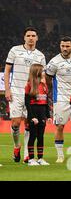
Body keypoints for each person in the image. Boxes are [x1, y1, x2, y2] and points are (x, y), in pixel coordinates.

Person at [4, 27, 46, 163]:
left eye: (33, 35)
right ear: (24, 37)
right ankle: (17, 146)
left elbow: (42, 75)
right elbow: (7, 70)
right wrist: (7, 90)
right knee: (16, 123)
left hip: (32, 92)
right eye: (28, 35)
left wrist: (42, 90)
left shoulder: (40, 55)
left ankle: (28, 154)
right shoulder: (15, 50)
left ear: (37, 38)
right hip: (16, 90)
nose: (31, 38)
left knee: (30, 123)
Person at [46, 36, 71, 163]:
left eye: (67, 46)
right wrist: (56, 90)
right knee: (60, 126)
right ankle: (60, 155)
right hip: (61, 98)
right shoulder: (53, 62)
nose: (65, 48)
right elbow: (47, 78)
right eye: (63, 46)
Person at [24, 64, 50, 166]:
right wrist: (32, 117)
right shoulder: (29, 85)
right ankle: (31, 159)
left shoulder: (44, 85)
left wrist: (48, 116)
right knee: (33, 136)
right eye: (42, 70)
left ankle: (40, 158)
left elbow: (46, 101)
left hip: (42, 113)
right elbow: (27, 102)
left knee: (41, 136)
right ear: (37, 72)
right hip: (33, 112)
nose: (44, 72)